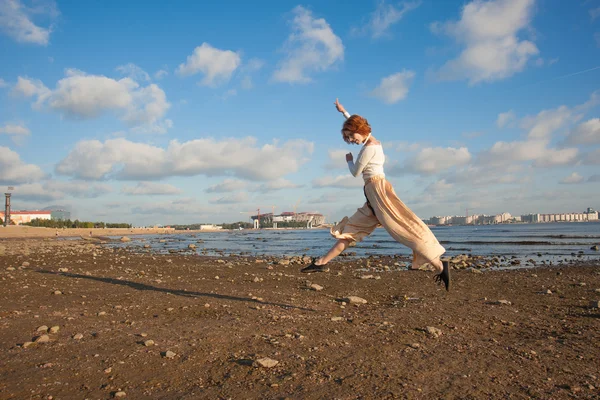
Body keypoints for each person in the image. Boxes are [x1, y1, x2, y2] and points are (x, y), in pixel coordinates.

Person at [301, 99, 450, 290]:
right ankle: (321, 263)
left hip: (379, 192)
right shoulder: (372, 140)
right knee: (351, 230)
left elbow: (356, 172)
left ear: (359, 129)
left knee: (402, 227)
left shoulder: (369, 148)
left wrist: (348, 160)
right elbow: (358, 125)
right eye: (348, 137)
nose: (351, 140)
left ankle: (438, 264)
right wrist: (344, 112)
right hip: (373, 194)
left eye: (351, 136)